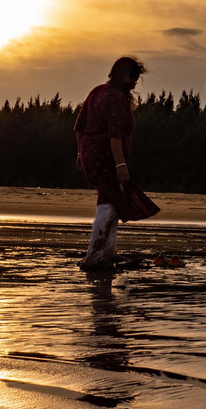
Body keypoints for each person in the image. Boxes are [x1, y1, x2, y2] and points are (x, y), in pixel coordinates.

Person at [74, 56, 160, 269]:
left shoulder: (97, 92)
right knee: (108, 203)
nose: (134, 84)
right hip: (107, 158)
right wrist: (121, 165)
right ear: (124, 77)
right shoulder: (118, 99)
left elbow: (79, 126)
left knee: (114, 199)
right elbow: (115, 135)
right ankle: (94, 255)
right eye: (133, 79)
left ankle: (109, 251)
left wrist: (80, 153)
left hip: (90, 156)